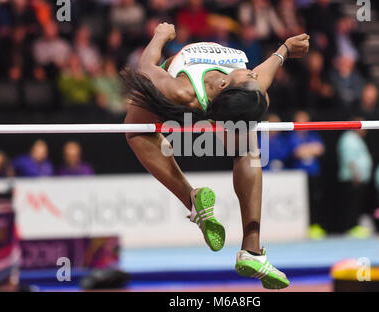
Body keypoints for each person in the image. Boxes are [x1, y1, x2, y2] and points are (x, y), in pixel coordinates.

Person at [123, 22, 310, 289]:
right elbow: (262, 74)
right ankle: (252, 250)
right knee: (247, 152)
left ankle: (193, 200)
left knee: (135, 132)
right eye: (253, 79)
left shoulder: (189, 90)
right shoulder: (240, 90)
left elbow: (146, 68)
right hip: (196, 98)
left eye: (250, 77)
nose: (253, 75)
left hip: (173, 88)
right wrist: (284, 50)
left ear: (225, 82)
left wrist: (160, 35)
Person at [287, 111, 326, 239]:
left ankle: (315, 226)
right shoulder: (292, 137)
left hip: (314, 173)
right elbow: (296, 152)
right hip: (299, 176)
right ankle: (304, 226)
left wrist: (305, 149)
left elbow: (320, 149)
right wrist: (311, 149)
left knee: (316, 200)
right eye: (300, 120)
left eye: (305, 120)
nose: (303, 123)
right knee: (303, 201)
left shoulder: (313, 135)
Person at [337, 120, 373, 238]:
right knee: (351, 205)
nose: (365, 130)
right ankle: (350, 228)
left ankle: (354, 227)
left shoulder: (356, 139)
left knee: (356, 205)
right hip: (352, 178)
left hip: (358, 178)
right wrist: (356, 175)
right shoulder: (349, 139)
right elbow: (350, 159)